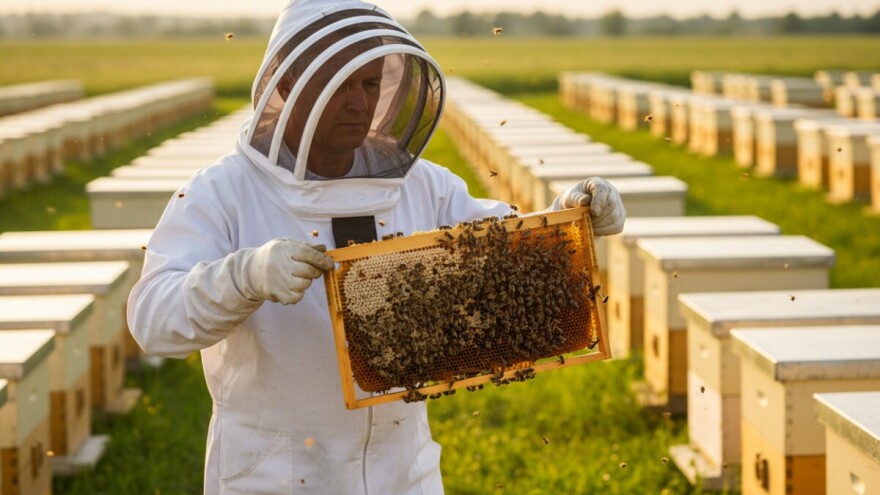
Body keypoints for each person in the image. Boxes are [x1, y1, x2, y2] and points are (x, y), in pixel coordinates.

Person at [126, 0, 626, 493]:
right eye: (339, 85)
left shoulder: (419, 184)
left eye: (369, 84)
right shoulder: (222, 192)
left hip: (402, 468)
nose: (360, 104)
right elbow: (152, 321)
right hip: (275, 472)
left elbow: (503, 244)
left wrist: (569, 219)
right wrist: (243, 277)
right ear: (287, 86)